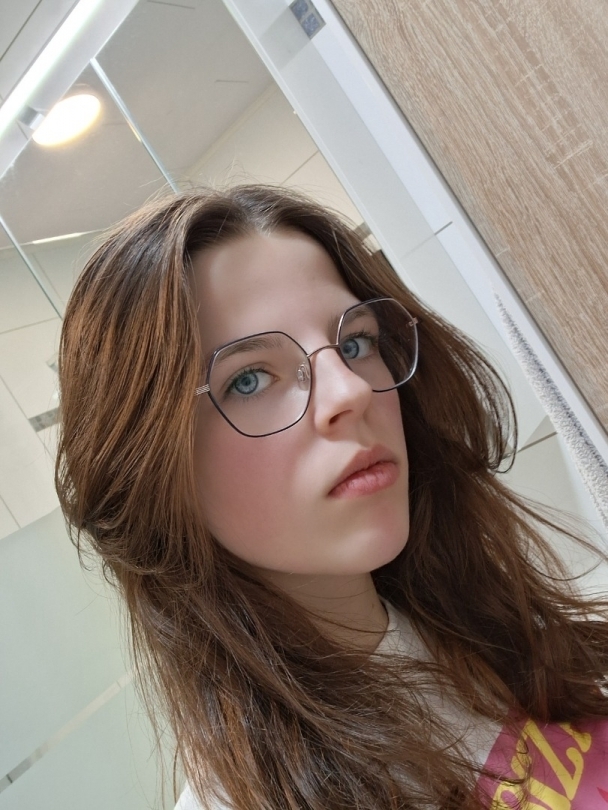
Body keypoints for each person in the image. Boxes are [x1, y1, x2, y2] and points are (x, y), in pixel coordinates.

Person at [56, 185, 608, 810]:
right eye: (248, 378)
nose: (350, 391)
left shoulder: (484, 627)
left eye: (354, 343)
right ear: (150, 472)